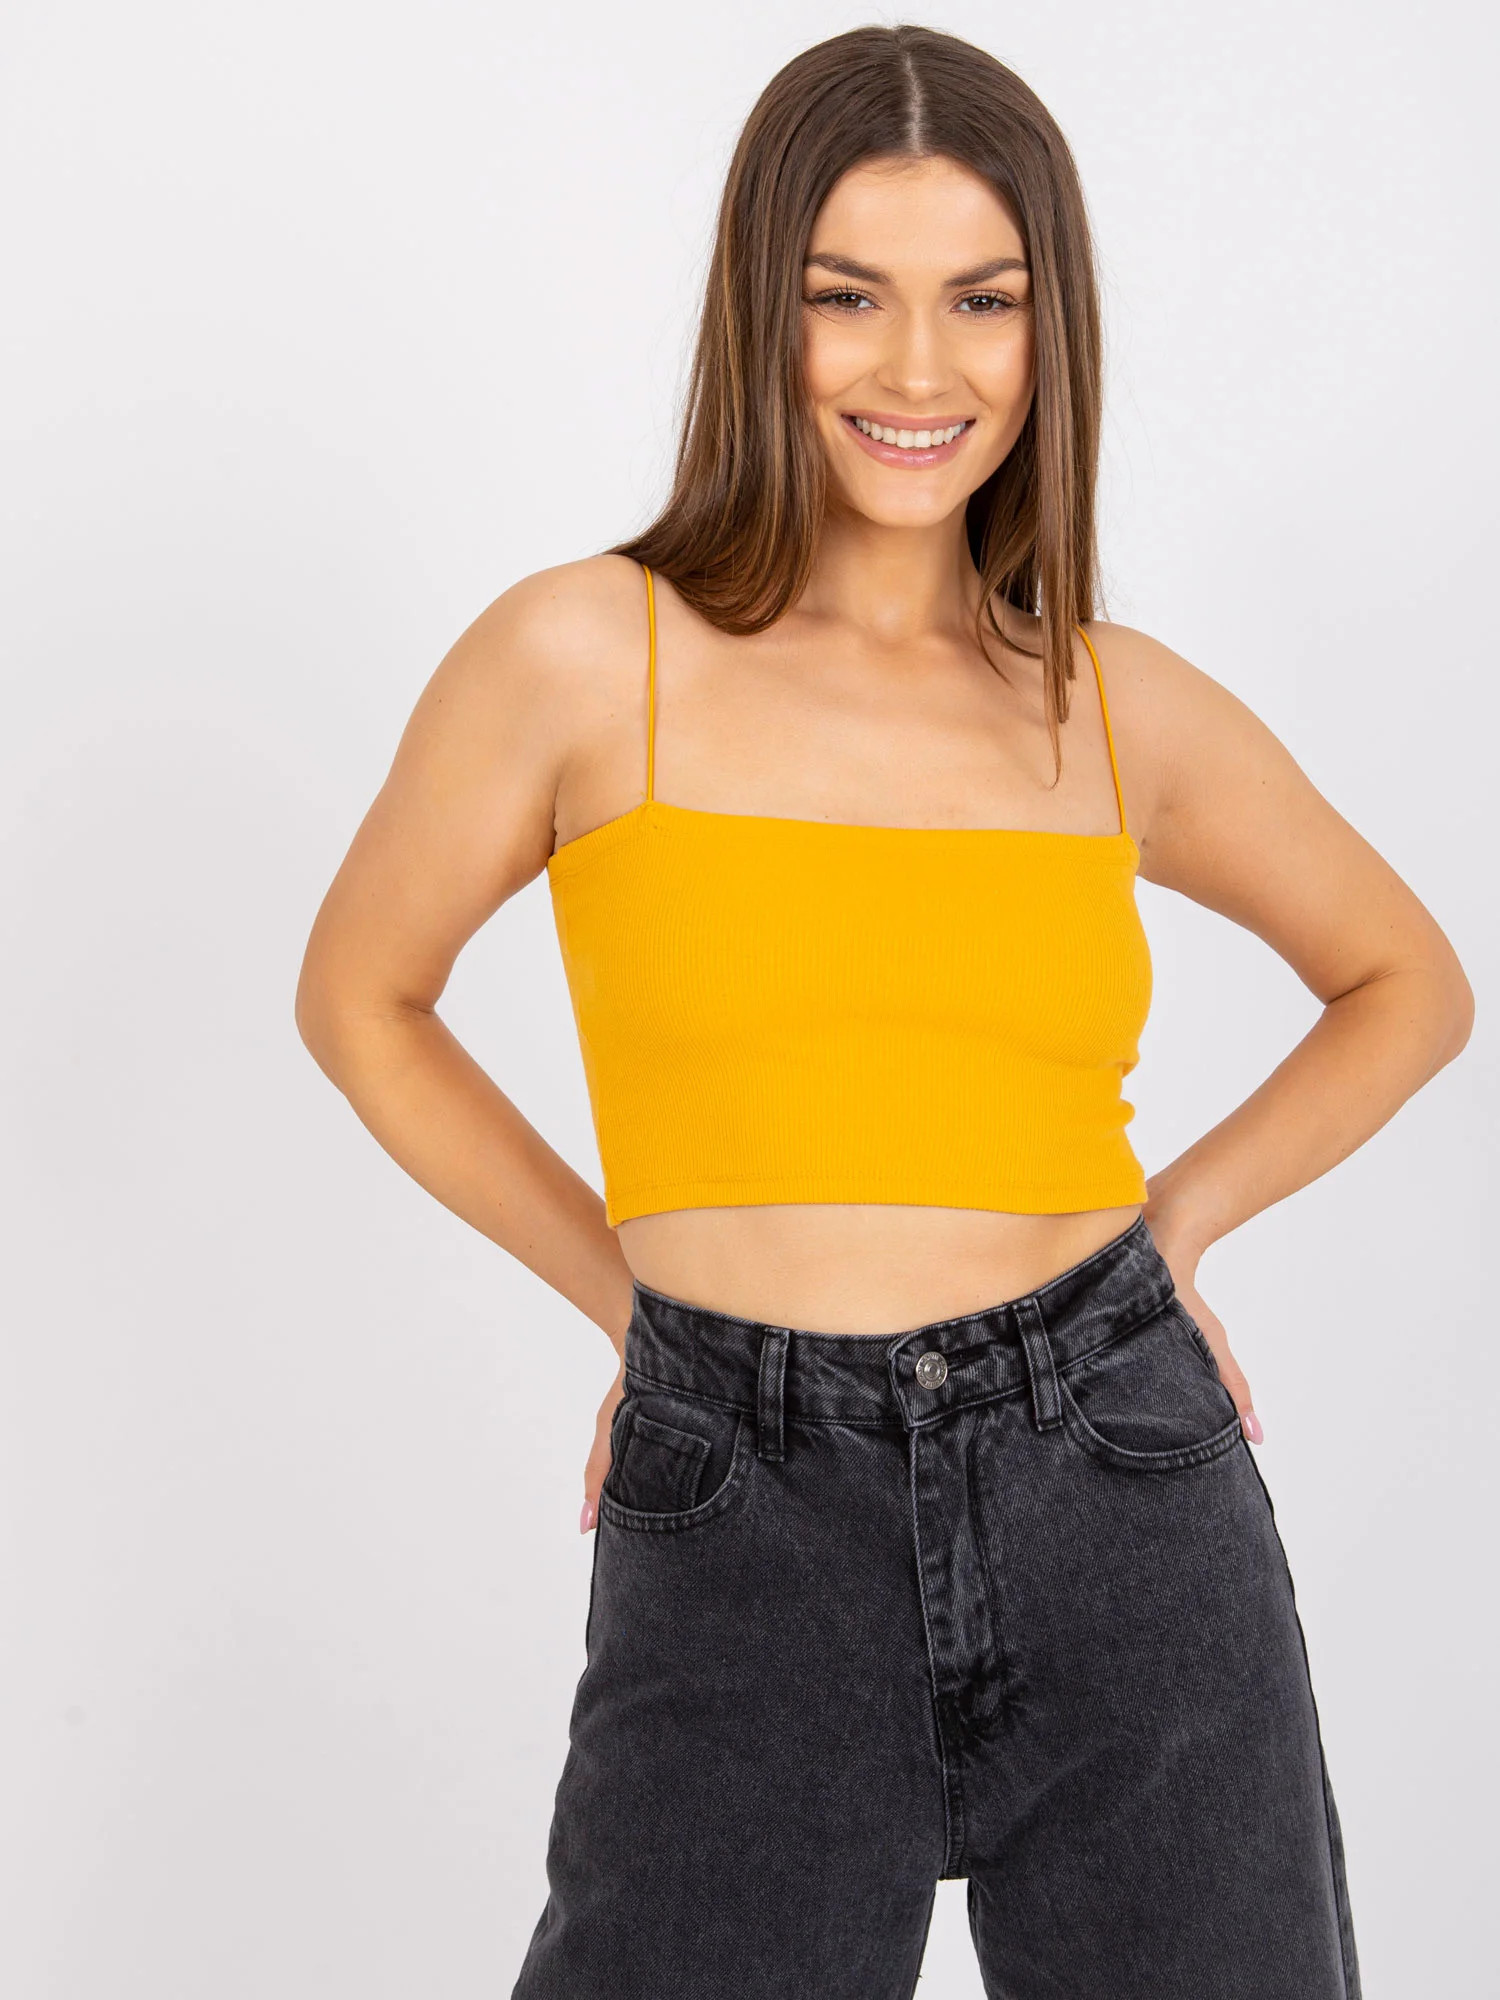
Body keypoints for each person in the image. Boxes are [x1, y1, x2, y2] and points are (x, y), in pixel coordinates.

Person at [294, 24, 1471, 2000]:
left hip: (1120, 1483)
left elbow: (1409, 983)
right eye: (849, 296)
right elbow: (362, 998)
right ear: (762, 308)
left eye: (982, 302)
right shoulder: (584, 655)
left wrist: (1172, 1233)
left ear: (1049, 328)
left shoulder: (1107, 702)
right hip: (738, 1499)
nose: (919, 371)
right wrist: (635, 1311)